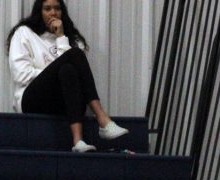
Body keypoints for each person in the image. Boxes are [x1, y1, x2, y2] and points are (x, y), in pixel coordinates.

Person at [7, 0, 129, 152]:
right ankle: (102, 119)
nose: (53, 13)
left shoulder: (72, 39)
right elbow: (21, 75)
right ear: (39, 12)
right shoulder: (24, 33)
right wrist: (51, 73)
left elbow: (75, 75)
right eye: (47, 9)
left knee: (68, 70)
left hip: (63, 103)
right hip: (32, 100)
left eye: (57, 8)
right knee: (74, 55)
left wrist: (60, 36)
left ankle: (78, 141)